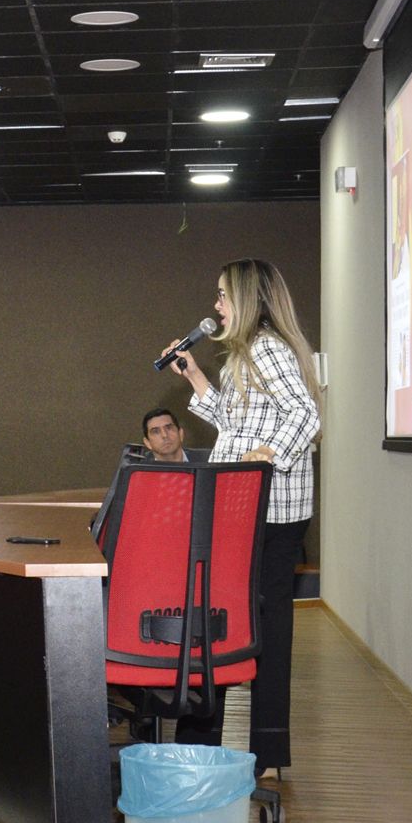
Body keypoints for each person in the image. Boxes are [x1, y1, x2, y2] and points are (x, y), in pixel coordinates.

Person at [163, 258, 322, 780]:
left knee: (253, 627)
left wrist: (267, 455)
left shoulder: (267, 350)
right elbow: (232, 422)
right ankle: (256, 754)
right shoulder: (246, 355)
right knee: (242, 624)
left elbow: (306, 415)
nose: (215, 306)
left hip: (268, 513)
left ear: (247, 301)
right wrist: (194, 375)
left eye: (223, 296)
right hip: (251, 511)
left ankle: (245, 752)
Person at [138, 408, 207, 464]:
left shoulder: (209, 459)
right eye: (156, 431)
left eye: (169, 428)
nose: (164, 435)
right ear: (147, 443)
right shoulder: (136, 470)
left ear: (180, 434)